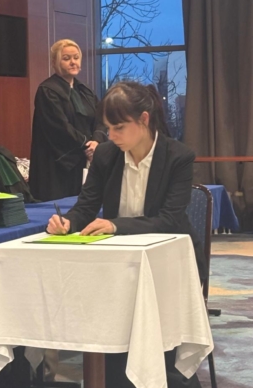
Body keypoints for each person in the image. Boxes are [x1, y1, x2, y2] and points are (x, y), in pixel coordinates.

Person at [47, 81, 205, 388]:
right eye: (108, 129)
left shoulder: (178, 156)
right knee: (111, 334)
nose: (112, 136)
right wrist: (67, 223)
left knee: (159, 342)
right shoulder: (106, 156)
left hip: (170, 264)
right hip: (119, 264)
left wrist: (116, 226)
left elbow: (170, 220)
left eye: (119, 127)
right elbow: (86, 207)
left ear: (144, 119)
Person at [29, 39, 107, 202]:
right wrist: (86, 145)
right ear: (54, 63)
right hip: (58, 165)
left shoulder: (85, 90)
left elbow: (101, 118)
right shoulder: (47, 90)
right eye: (66, 58)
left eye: (76, 57)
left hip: (85, 159)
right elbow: (59, 127)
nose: (73, 62)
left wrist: (96, 141)